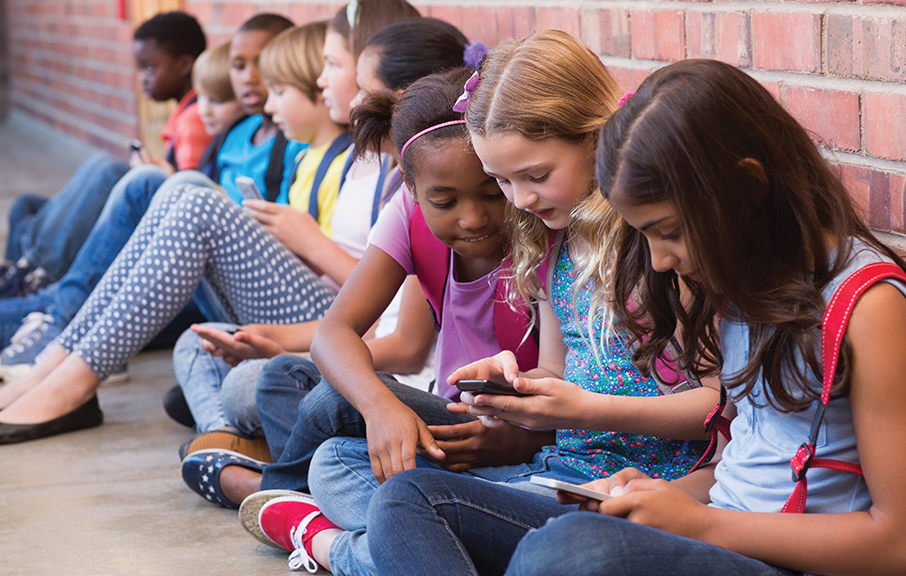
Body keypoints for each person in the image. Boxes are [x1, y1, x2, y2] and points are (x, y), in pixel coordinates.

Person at [371, 58, 906, 576]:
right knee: (409, 499)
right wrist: (654, 500)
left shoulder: (869, 306)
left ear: (747, 186)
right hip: (717, 533)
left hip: (781, 556)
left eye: (667, 232)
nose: (662, 260)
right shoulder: (748, 285)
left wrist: (700, 524)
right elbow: (736, 468)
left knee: (567, 552)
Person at [275, 31, 716, 576]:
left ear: (596, 137)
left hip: (634, 489)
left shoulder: (659, 245)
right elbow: (557, 369)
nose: (519, 201)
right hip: (557, 470)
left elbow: (720, 409)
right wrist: (519, 388)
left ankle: (344, 551)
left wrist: (583, 410)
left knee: (406, 502)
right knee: (337, 463)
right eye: (503, 181)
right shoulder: (556, 241)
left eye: (534, 176)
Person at [0, 21, 358, 445]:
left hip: (330, 322)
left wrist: (305, 240)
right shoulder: (311, 156)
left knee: (190, 200)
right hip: (296, 305)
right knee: (174, 187)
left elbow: (389, 297)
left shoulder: (359, 162)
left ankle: (66, 375)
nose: (260, 89)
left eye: (332, 67)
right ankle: (53, 366)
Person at [175, 16, 469, 509]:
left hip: (423, 392)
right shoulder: (409, 200)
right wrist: (283, 344)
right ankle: (252, 450)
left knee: (282, 389)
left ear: (403, 101)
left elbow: (409, 347)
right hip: (392, 383)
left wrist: (310, 248)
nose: (353, 102)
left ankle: (278, 486)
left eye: (359, 85)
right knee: (237, 364)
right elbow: (342, 329)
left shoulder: (439, 208)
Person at [0, 11, 212, 303]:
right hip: (159, 214)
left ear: (185, 64)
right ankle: (20, 279)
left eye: (150, 68)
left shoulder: (194, 120)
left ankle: (30, 276)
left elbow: (191, 194)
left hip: (165, 231)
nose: (142, 79)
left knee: (109, 170)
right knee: (25, 206)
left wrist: (155, 174)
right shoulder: (183, 115)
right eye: (139, 69)